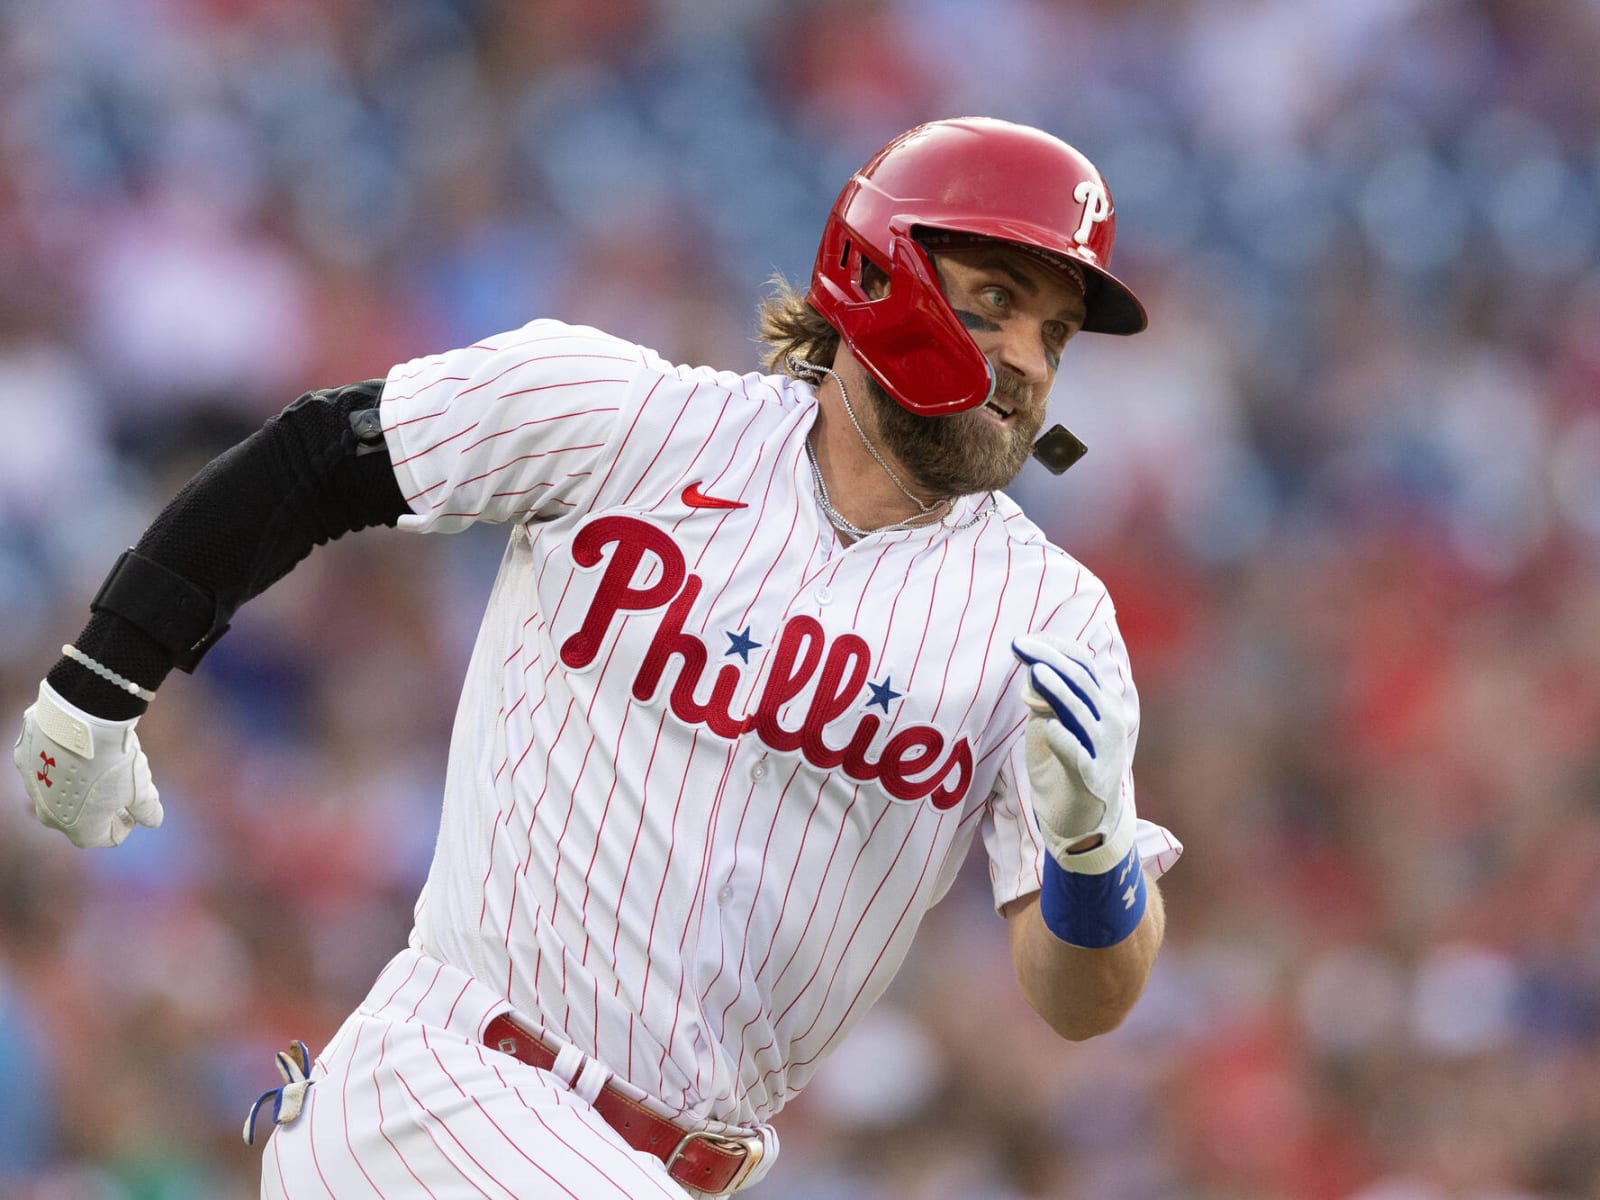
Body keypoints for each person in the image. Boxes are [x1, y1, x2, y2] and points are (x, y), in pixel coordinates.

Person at [13, 116, 1182, 1197]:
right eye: (994, 300)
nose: (1028, 358)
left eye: (1056, 333)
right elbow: (323, 456)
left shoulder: (1049, 619)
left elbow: (1083, 998)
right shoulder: (629, 420)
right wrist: (100, 682)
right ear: (877, 272)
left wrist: (1090, 855)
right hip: (450, 1090)